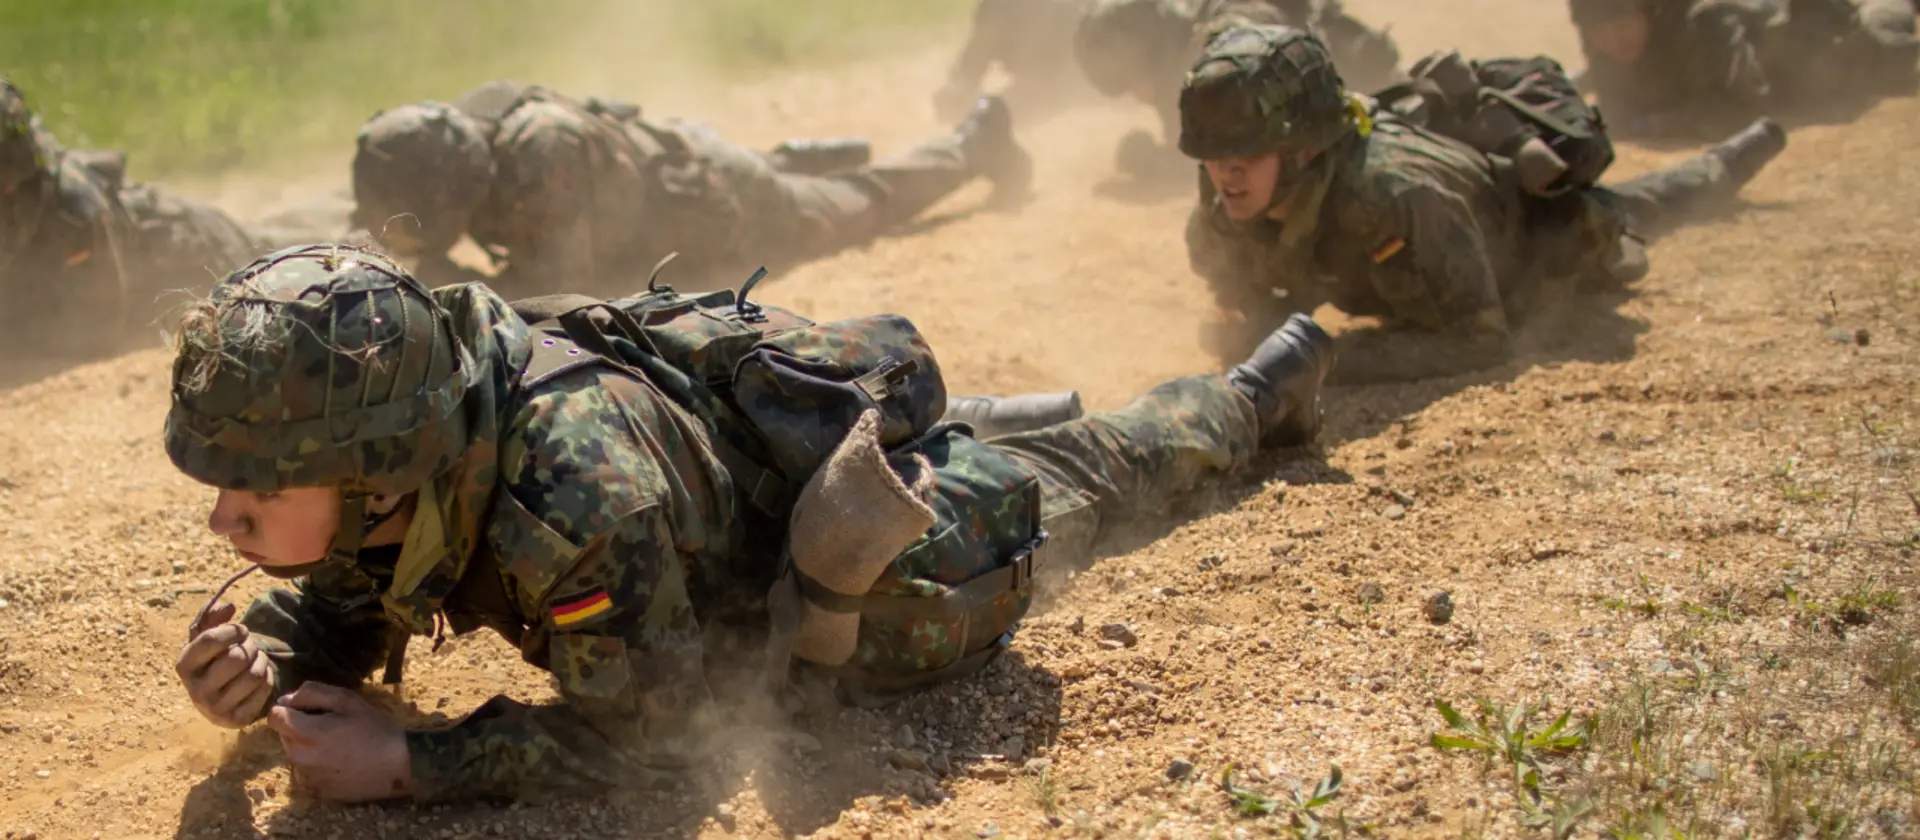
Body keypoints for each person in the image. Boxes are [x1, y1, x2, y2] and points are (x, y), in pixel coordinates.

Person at [167, 242, 1335, 803]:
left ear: (376, 466)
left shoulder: (570, 506)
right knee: (1025, 448)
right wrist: (269, 656)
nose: (225, 516)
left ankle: (1248, 398)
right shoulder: (418, 446)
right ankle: (972, 426)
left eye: (258, 488)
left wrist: (414, 761)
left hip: (858, 569)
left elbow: (665, 746)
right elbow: (353, 594)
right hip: (728, 484)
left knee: (1094, 471)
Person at [1178, 25, 1789, 382]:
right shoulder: (1220, 214)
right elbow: (1269, 290)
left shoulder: (1397, 198)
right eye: (1214, 153)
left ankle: (1746, 148)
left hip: (1541, 253)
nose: (1226, 173)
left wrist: (1331, 358)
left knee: (1656, 200)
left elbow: (1482, 341)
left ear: (1305, 150)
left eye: (1248, 153)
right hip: (1420, 265)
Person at [348, 80, 1033, 300]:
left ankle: (975, 144)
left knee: (856, 204)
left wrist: (444, 278)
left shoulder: (539, 156)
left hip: (718, 207)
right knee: (801, 181)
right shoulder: (453, 140)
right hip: (665, 171)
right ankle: (803, 164)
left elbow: (559, 301)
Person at [0, 77, 263, 346]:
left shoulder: (74, 212)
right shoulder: (25, 193)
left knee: (274, 248)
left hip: (189, 243)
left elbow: (94, 329)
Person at [1072, 0, 1401, 183]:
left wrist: (1147, 162)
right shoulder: (1193, 46)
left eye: (1132, 83)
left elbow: (1212, 159)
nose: (1137, 97)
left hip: (1380, 120)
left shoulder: (1212, 48)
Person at [1570, 0, 1920, 140]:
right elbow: (1608, 88)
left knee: (1888, 54)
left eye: (1619, 24)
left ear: (1647, 10)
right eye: (1599, 32)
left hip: (1843, 44)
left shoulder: (1707, 23)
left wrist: (1648, 124)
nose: (1611, 40)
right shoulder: (1620, 48)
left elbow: (1741, 112)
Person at [934, 0, 1103, 124]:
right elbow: (974, 59)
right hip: (1048, 85)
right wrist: (958, 88)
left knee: (992, 120)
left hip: (1089, 91)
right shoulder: (996, 9)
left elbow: (1054, 86)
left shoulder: (1064, 12)